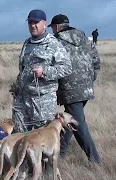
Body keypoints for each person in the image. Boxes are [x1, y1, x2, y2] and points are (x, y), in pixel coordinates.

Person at [48, 14, 101, 164]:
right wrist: (90, 80)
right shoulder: (84, 38)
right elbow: (96, 61)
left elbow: (52, 67)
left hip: (70, 91)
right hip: (86, 89)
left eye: (52, 27)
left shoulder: (56, 42)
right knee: (72, 121)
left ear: (57, 27)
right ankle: (61, 154)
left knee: (78, 126)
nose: (52, 31)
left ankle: (96, 161)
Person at [10, 9, 72, 133]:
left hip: (43, 100)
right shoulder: (27, 43)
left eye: (36, 22)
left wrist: (44, 71)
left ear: (44, 23)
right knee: (19, 135)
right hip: (23, 98)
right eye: (30, 22)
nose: (33, 25)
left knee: (42, 138)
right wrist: (17, 88)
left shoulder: (53, 44)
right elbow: (23, 69)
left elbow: (66, 68)